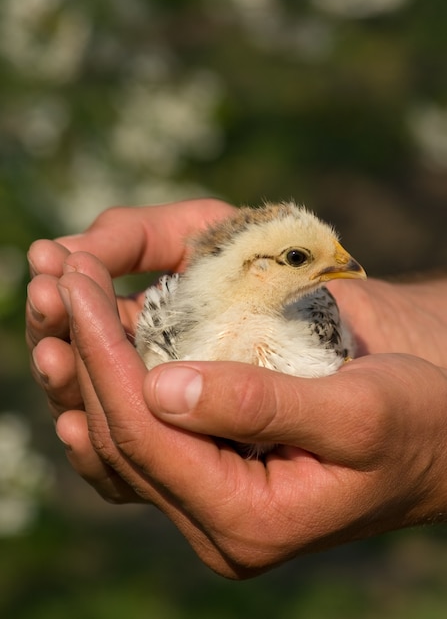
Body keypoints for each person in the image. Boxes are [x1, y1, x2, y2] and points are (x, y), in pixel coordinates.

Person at [26, 198, 447, 579]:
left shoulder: (315, 328)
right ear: (254, 268)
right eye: (299, 258)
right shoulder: (166, 329)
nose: (347, 263)